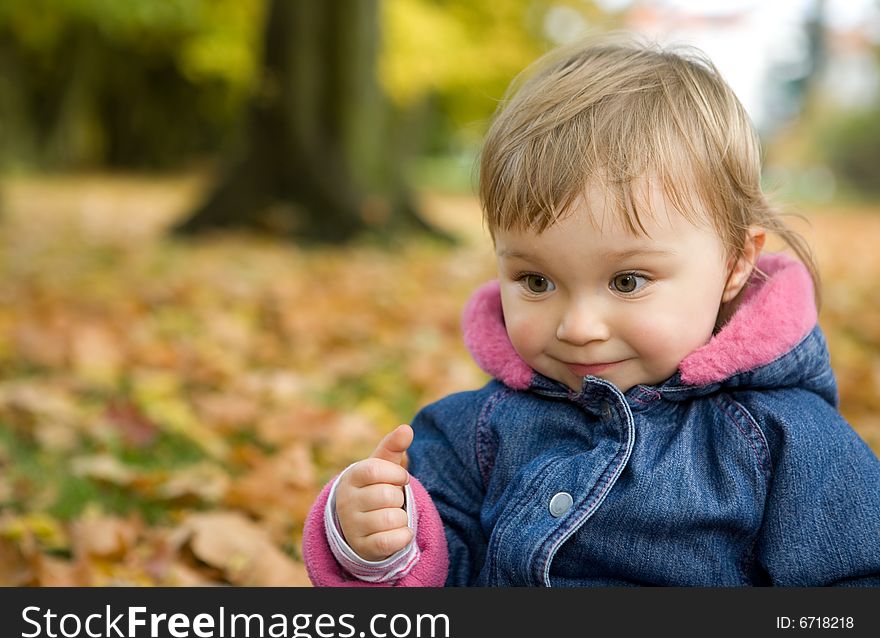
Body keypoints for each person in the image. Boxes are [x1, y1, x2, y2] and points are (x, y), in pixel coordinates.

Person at [301, 36, 880, 586]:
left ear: (733, 264)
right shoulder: (474, 432)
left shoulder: (787, 441)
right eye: (536, 280)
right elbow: (430, 585)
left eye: (627, 281)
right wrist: (377, 541)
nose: (577, 328)